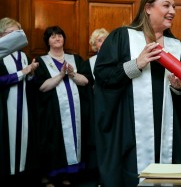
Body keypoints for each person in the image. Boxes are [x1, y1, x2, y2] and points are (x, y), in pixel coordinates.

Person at [93, 0, 181, 187]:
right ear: (148, 8)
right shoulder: (122, 38)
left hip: (169, 131)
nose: (173, 11)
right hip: (130, 131)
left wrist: (178, 88)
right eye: (166, 5)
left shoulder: (178, 47)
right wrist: (136, 64)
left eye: (174, 6)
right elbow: (103, 78)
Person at [35, 26, 89, 187]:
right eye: (52, 36)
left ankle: (67, 176)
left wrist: (71, 74)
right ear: (48, 41)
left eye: (59, 35)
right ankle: (51, 177)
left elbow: (85, 81)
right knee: (54, 141)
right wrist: (60, 75)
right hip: (53, 112)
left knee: (74, 140)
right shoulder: (41, 61)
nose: (57, 38)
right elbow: (42, 87)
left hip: (76, 111)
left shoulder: (75, 59)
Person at [0, 18, 39, 185]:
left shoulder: (23, 55)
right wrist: (22, 72)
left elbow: (31, 84)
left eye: (18, 33)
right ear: (2, 35)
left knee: (24, 140)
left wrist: (30, 75)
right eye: (11, 33)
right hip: (4, 107)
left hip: (24, 107)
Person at [79, 28, 109, 185]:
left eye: (105, 39)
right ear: (94, 45)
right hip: (96, 107)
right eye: (99, 40)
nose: (103, 42)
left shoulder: (117, 60)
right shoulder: (87, 64)